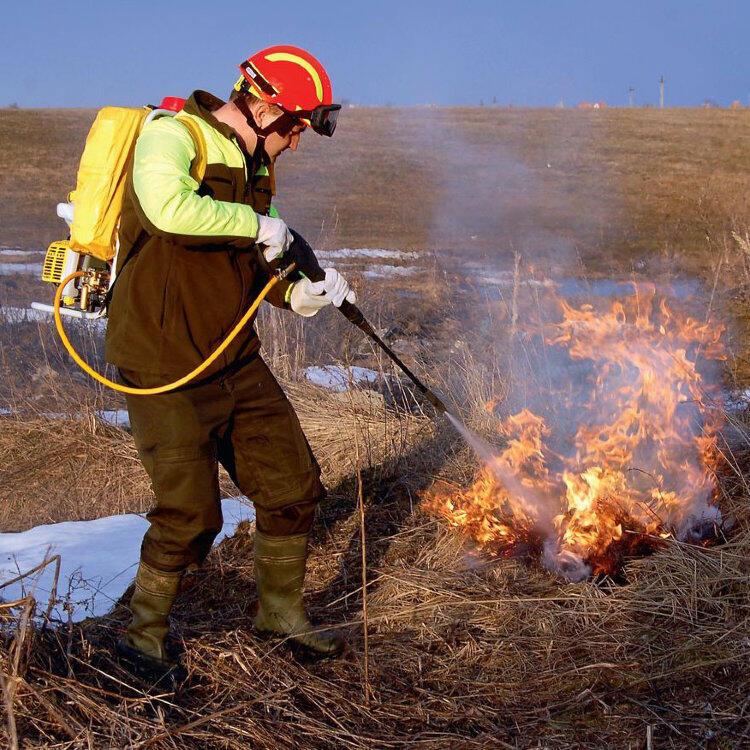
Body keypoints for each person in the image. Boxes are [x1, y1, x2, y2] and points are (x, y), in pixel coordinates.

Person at [104, 45, 353, 681]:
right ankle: (141, 641)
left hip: (232, 358)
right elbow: (168, 210)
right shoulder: (172, 136)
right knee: (190, 513)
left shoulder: (257, 166)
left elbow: (254, 258)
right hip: (165, 360)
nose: (296, 142)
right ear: (263, 102)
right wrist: (257, 226)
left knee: (292, 486)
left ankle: (280, 616)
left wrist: (299, 293)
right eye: (295, 126)